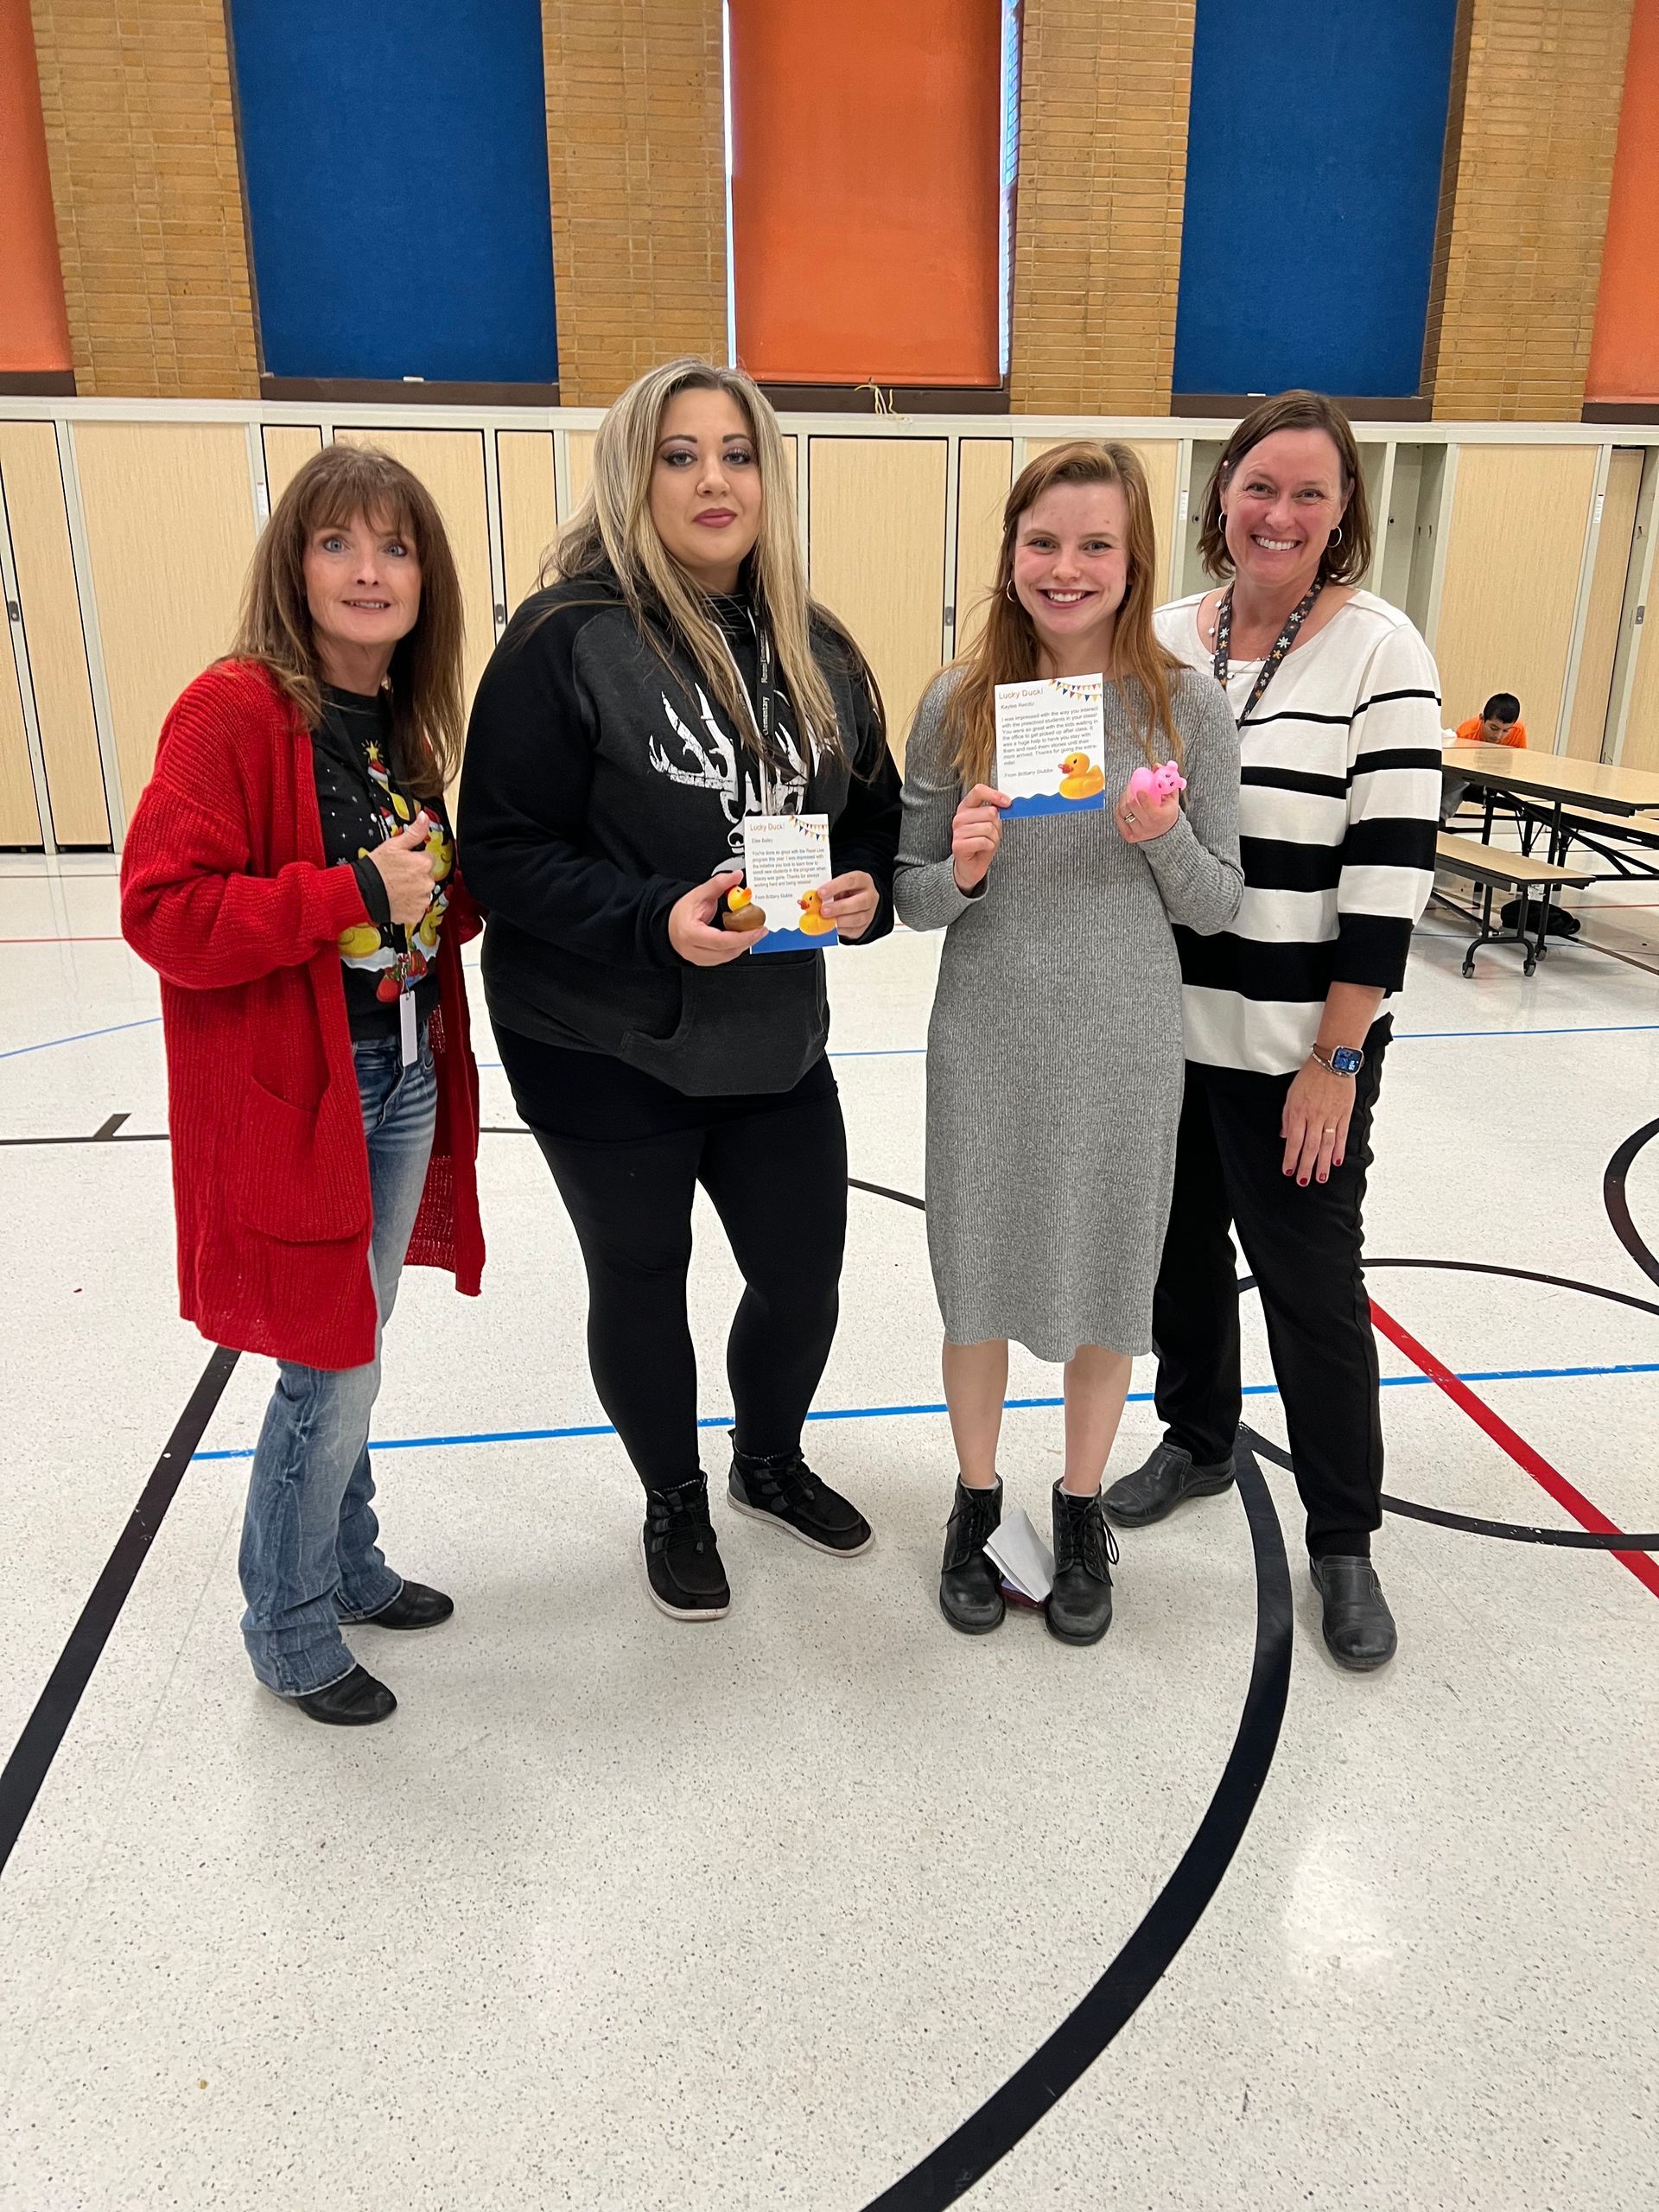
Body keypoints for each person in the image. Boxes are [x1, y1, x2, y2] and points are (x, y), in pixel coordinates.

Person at [458, 357, 900, 1624]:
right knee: (642, 1277)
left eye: (738, 453)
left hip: (771, 1036)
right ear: (633, 475)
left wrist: (863, 890)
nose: (715, 478)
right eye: (681, 453)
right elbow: (502, 851)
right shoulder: (565, 638)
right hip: (598, 1039)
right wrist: (654, 921)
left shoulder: (822, 646)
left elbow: (866, 816)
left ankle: (767, 1462)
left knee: (803, 1272)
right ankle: (675, 1492)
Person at [121, 444, 484, 1727]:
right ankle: (286, 1628)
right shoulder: (229, 710)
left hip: (398, 1070)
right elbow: (164, 913)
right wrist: (351, 894)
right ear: (294, 563)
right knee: (325, 1365)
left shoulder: (397, 718)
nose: (370, 570)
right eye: (340, 543)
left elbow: (419, 899)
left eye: (395, 546)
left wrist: (458, 884)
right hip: (304, 1094)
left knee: (357, 1345)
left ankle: (349, 1562)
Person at [1102, 391, 1441, 1672]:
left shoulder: (1382, 653)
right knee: (1177, 1262)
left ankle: (1344, 1537)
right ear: (1221, 493)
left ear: (1345, 507)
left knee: (1309, 1289)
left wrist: (1337, 1059)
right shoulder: (1169, 636)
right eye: (1258, 486)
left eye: (1309, 492)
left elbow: (1391, 874)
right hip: (1162, 1029)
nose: (1280, 513)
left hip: (1297, 1045)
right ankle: (1195, 1438)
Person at [894, 441, 1243, 1646]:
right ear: (1009, 554)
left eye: (1097, 543)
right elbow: (910, 896)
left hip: (1124, 1036)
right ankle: (978, 1498)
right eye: (1043, 541)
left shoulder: (1184, 705)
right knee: (978, 1276)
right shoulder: (956, 702)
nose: (1067, 567)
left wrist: (1158, 837)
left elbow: (1218, 903)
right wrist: (966, 870)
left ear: (1135, 559)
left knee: (1105, 1278)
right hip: (986, 1029)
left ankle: (1080, 1505)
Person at [1442, 691, 1525, 823]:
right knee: (1458, 777)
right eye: (1493, 728)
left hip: (1498, 773)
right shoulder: (1466, 733)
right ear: (1482, 719)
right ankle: (1442, 817)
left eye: (1505, 731)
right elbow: (1457, 768)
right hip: (1469, 775)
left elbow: (1519, 761)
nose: (1498, 736)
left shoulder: (1518, 731)